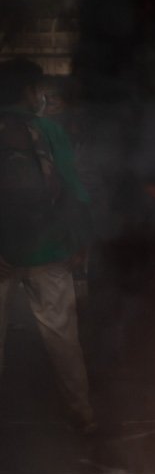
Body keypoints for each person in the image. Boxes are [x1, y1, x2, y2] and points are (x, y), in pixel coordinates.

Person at [0, 60, 93, 433]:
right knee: (62, 339)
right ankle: (82, 414)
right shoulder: (49, 130)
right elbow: (74, 190)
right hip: (48, 251)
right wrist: (78, 243)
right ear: (27, 92)